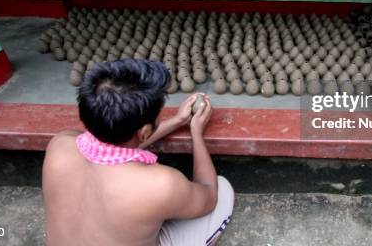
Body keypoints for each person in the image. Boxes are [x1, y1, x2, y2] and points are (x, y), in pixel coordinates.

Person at [42, 59, 234, 246]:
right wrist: (197, 133)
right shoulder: (160, 184)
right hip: (156, 194)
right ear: (144, 132)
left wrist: (176, 121)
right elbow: (209, 195)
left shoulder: (60, 144)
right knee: (223, 190)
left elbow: (110, 145)